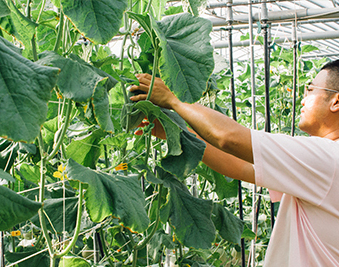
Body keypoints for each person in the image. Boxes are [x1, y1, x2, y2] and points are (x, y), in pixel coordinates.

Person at [130, 60, 339, 266]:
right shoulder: (322, 162)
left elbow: (229, 137)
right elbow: (237, 166)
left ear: (335, 101)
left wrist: (173, 99)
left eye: (310, 90)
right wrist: (176, 131)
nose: (302, 99)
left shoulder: (327, 158)